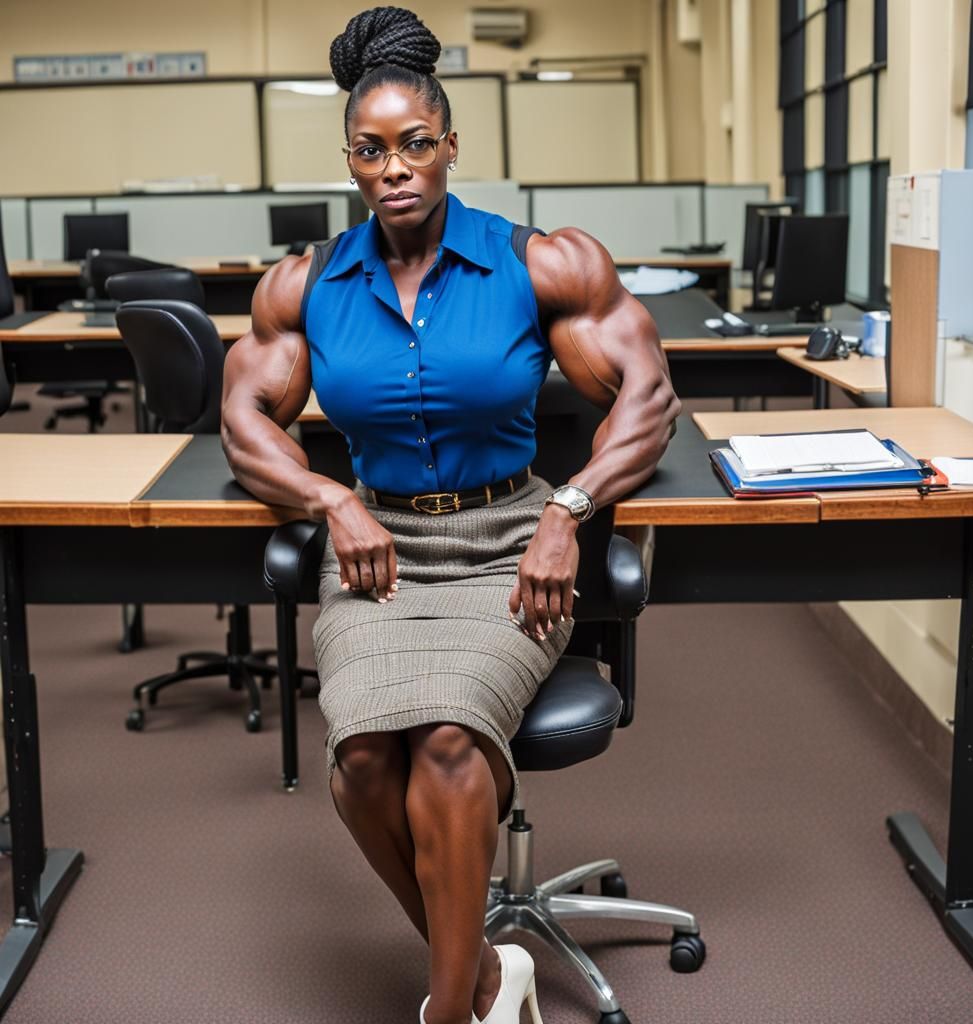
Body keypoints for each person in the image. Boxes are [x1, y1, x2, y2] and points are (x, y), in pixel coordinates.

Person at [221, 7, 680, 1023]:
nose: (395, 168)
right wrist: (328, 496)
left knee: (444, 742)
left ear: (450, 145)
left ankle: (446, 1013)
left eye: (415, 144)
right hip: (377, 553)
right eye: (371, 150)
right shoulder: (305, 286)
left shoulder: (542, 263)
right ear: (350, 160)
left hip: (509, 546)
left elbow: (648, 399)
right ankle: (483, 978)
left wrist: (568, 509)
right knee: (359, 763)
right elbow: (243, 421)